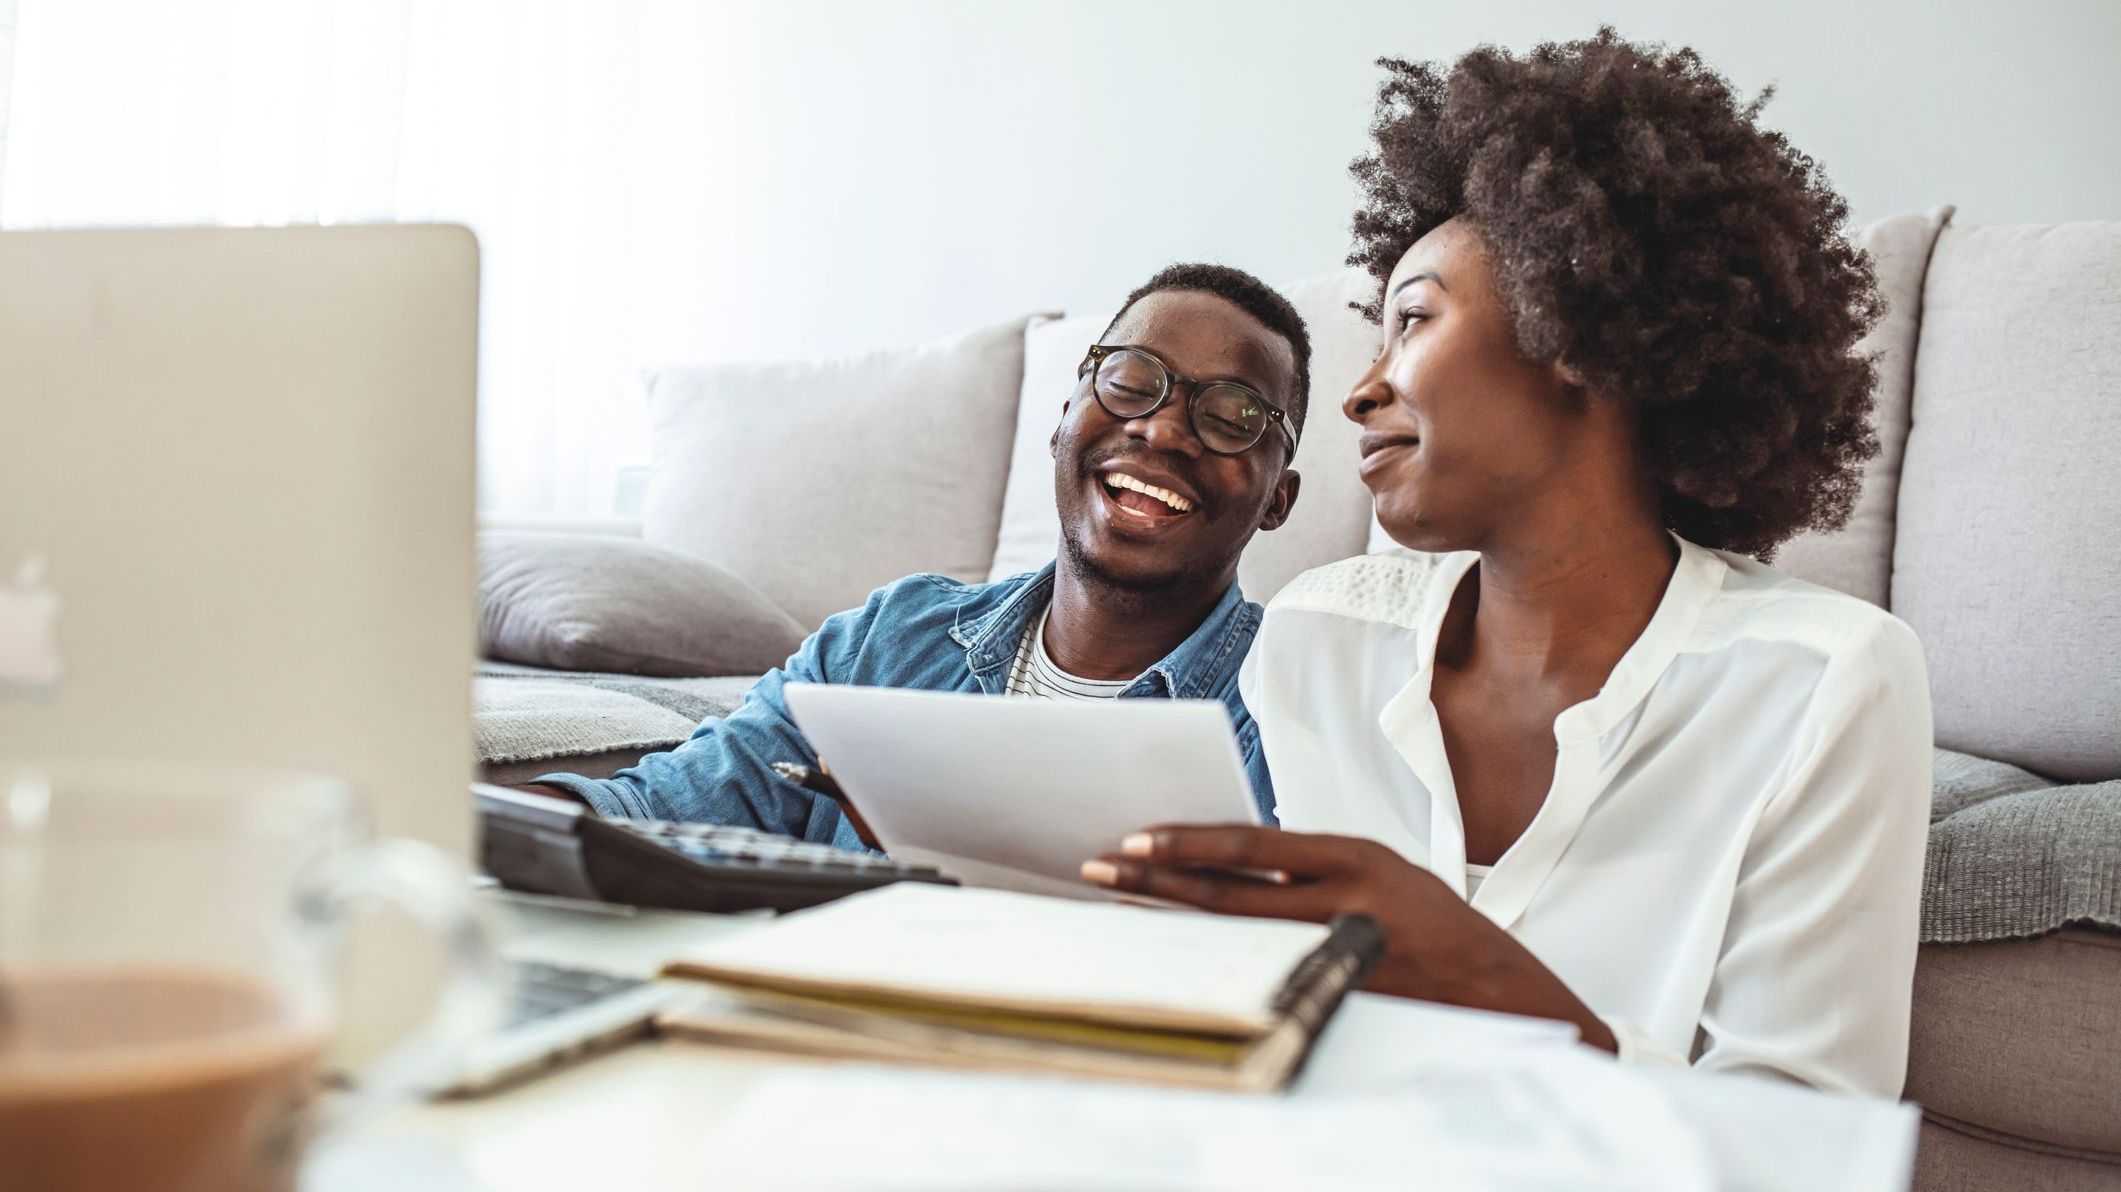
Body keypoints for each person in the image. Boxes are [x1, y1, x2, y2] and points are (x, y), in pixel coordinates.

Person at [1085, 30, 1932, 1097]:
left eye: (1412, 322)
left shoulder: (1824, 680)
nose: (1361, 390)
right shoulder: (1320, 638)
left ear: (1570, 326)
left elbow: (1808, 1146)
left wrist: (1491, 979)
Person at [525, 263, 1309, 849]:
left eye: (1233, 415)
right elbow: (661, 806)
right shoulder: (889, 639)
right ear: (1063, 417)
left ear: (1277, 498)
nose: (1164, 429)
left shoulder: (1295, 701)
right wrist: (462, 833)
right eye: (1133, 380)